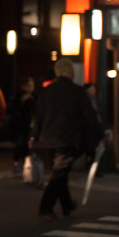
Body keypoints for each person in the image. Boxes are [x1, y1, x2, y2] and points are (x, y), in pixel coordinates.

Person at [30, 58, 103, 221]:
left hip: (48, 139)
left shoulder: (46, 91)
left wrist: (34, 136)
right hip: (67, 139)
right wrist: (99, 136)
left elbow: (39, 117)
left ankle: (67, 205)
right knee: (59, 174)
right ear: (71, 72)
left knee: (60, 172)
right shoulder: (77, 91)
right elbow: (90, 117)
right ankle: (45, 209)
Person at [9, 76, 35, 176]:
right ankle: (17, 163)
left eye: (32, 86)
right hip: (20, 125)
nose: (30, 88)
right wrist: (22, 102)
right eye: (28, 86)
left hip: (30, 126)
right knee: (20, 144)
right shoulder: (19, 96)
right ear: (23, 87)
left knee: (27, 145)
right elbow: (14, 110)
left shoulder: (34, 97)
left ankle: (26, 164)